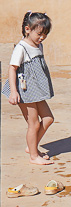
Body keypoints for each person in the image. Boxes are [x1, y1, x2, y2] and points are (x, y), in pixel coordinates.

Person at [2, 12, 55, 165]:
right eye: (39, 34)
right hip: (25, 90)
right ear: (27, 29)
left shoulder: (39, 45)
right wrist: (13, 91)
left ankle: (32, 147)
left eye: (45, 34)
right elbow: (12, 69)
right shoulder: (21, 48)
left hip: (36, 89)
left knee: (48, 118)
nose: (42, 37)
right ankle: (33, 156)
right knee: (34, 123)